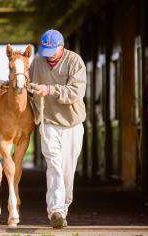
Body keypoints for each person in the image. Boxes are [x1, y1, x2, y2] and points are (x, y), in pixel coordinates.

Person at [30, 29, 86, 229]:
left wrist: (49, 90)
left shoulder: (75, 61)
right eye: (46, 51)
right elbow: (27, 86)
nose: (49, 55)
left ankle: (64, 207)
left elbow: (76, 92)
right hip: (48, 123)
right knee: (54, 165)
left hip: (72, 124)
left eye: (53, 51)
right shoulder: (37, 62)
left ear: (62, 47)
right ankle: (55, 210)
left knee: (67, 170)